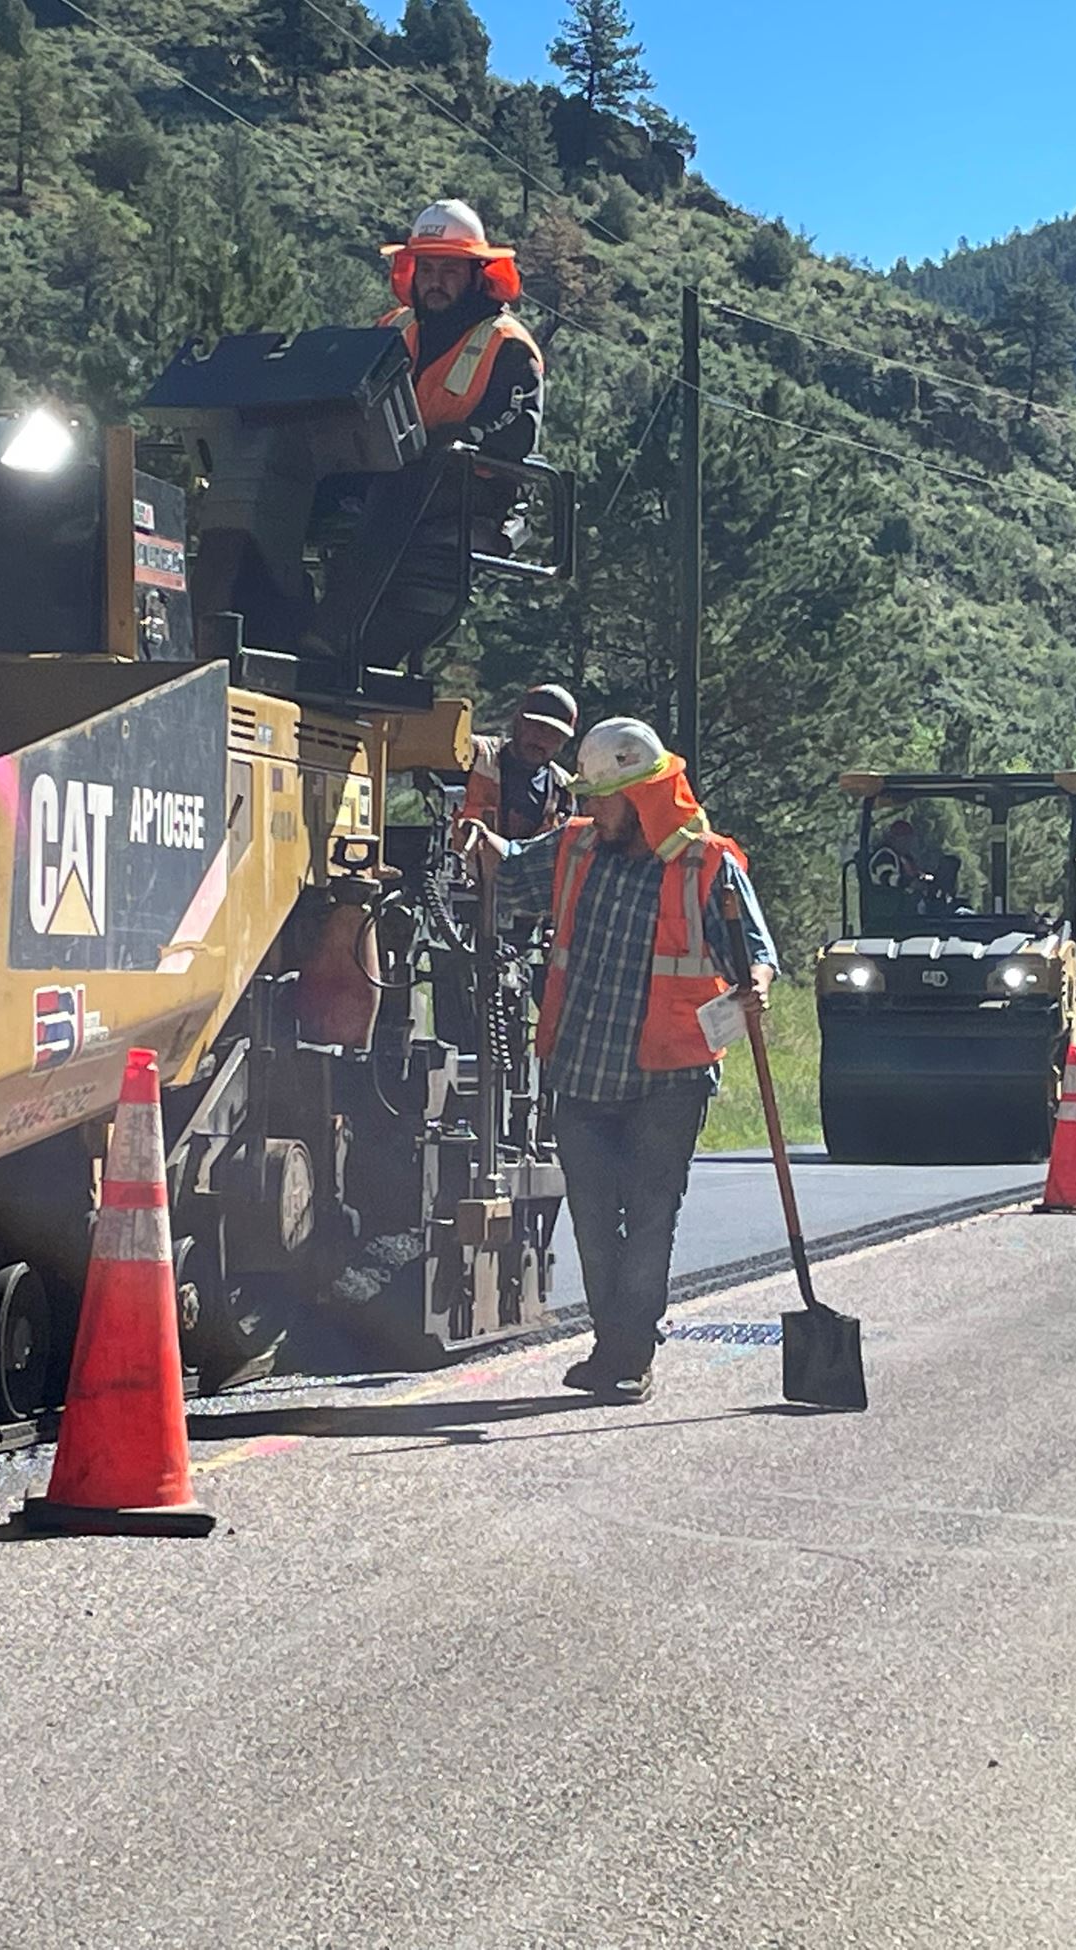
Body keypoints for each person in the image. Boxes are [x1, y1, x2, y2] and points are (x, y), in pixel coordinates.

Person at [460, 718, 777, 1402]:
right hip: (581, 1072)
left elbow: (756, 950)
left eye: (601, 798)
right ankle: (614, 1345)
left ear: (640, 800)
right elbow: (510, 869)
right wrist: (482, 842)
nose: (588, 809)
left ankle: (631, 1355)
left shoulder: (707, 863)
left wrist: (757, 983)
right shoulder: (576, 849)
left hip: (669, 1077)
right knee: (596, 1222)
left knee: (651, 1217)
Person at [313, 199, 546, 670]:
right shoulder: (394, 330)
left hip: (471, 488)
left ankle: (334, 633)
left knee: (415, 471)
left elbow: (514, 436)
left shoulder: (510, 347)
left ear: (478, 275)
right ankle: (265, 613)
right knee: (301, 472)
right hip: (388, 467)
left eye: (450, 270)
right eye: (427, 268)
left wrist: (446, 441)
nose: (435, 281)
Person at [460, 683, 579, 843]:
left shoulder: (565, 789)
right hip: (463, 864)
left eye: (555, 734)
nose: (542, 739)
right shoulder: (475, 755)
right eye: (537, 727)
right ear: (518, 721)